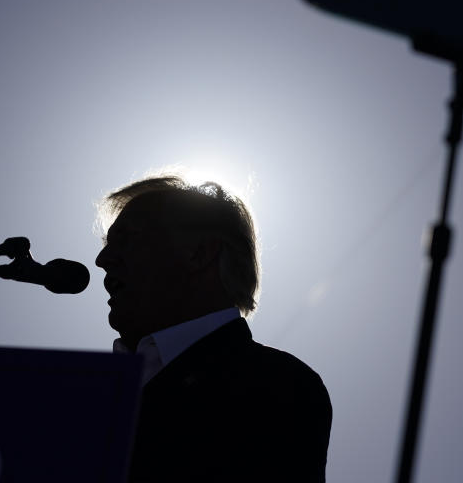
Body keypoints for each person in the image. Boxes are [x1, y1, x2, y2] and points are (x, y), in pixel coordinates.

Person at [95, 175, 332, 482]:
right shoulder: (88, 391)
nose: (103, 260)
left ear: (200, 253)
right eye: (108, 245)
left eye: (128, 240)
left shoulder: (273, 385)